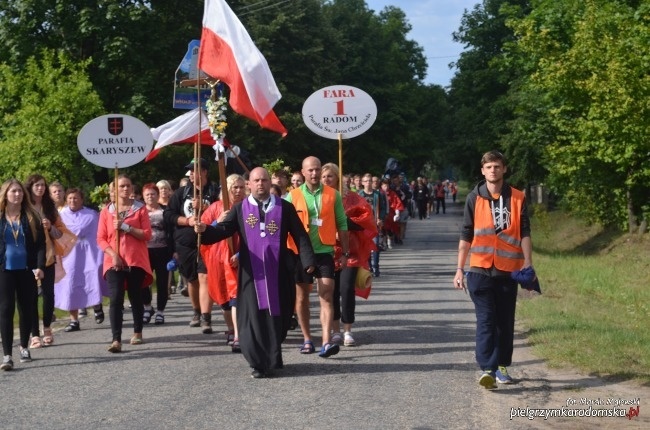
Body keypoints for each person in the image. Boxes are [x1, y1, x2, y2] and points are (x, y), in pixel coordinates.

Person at [201, 167, 315, 378]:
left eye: (264, 180)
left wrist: (308, 260)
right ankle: (257, 363)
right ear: (249, 185)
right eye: (256, 181)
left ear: (269, 183)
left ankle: (272, 356)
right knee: (252, 317)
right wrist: (204, 230)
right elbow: (221, 232)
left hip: (278, 271)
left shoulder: (284, 207)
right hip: (251, 274)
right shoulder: (240, 209)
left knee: (277, 317)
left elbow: (300, 234)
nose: (260, 184)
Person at [454, 150, 533, 389]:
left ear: (504, 169)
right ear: (482, 171)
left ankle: (501, 367)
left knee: (504, 322)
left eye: (497, 166)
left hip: (508, 270)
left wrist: (528, 263)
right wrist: (459, 268)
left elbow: (525, 233)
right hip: (479, 269)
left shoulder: (518, 197)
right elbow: (466, 233)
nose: (493, 170)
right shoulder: (473, 198)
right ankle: (487, 369)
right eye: (488, 167)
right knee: (486, 320)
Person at [286, 156, 349, 358]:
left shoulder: (333, 194)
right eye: (310, 170)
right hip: (300, 253)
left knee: (327, 294)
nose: (314, 174)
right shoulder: (292, 196)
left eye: (317, 170)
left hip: (324, 251)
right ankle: (307, 339)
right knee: (302, 297)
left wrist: (346, 253)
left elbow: (342, 224)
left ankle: (326, 341)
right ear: (303, 172)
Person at [321, 164, 376, 347]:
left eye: (330, 176)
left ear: (337, 177)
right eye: (324, 176)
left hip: (349, 252)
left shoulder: (351, 198)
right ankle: (335, 330)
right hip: (327, 251)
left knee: (346, 289)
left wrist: (344, 224)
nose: (327, 179)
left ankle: (347, 330)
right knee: (332, 292)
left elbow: (366, 220)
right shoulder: (318, 198)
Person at [97, 175, 153, 352]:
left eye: (128, 186)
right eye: (121, 186)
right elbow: (100, 238)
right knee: (115, 298)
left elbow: (146, 234)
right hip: (113, 260)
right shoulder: (107, 211)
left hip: (135, 258)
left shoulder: (140, 209)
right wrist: (113, 254)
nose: (125, 189)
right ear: (114, 190)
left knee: (135, 295)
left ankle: (137, 331)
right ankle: (116, 339)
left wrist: (126, 227)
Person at [163, 158, 219, 332]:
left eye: (195, 170)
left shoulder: (215, 190)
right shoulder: (181, 193)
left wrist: (203, 208)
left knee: (205, 277)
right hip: (186, 242)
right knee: (192, 279)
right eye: (190, 171)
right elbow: (168, 215)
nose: (191, 174)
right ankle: (196, 310)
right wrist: (186, 220)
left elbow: (224, 211)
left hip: (208, 241)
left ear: (204, 171)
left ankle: (206, 316)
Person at [25, 174, 76, 347]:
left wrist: (51, 227)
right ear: (30, 187)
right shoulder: (23, 206)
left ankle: (47, 327)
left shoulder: (49, 207)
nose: (40, 188)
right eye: (37, 185)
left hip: (48, 255)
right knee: (30, 296)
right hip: (27, 256)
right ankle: (34, 334)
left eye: (42, 185)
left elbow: (61, 232)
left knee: (48, 295)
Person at [0, 179, 45, 370]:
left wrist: (41, 266)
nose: (17, 195)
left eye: (19, 191)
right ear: (5, 195)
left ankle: (24, 347)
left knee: (26, 308)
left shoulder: (31, 217)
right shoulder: (1, 218)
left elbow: (41, 244)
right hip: (5, 270)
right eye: (13, 192)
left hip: (27, 269)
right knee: (6, 309)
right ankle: (7, 355)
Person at [200, 174, 246, 351]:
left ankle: (240, 333)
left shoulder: (248, 208)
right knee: (224, 297)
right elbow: (202, 231)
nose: (238, 191)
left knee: (238, 296)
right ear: (226, 190)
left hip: (241, 258)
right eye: (235, 187)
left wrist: (241, 254)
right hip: (218, 259)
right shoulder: (215, 208)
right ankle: (231, 329)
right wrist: (216, 222)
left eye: (241, 187)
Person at [55, 189, 107, 333]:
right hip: (70, 255)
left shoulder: (91, 215)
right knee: (71, 285)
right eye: (70, 198)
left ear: (82, 200)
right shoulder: (61, 215)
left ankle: (96, 305)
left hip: (89, 253)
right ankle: (74, 320)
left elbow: (97, 234)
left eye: (76, 198)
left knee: (91, 280)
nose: (73, 201)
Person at [141, 183, 172, 325]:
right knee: (143, 281)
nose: (150, 196)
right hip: (144, 251)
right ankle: (147, 307)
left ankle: (160, 311)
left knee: (162, 282)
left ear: (157, 195)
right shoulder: (139, 211)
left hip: (163, 250)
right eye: (147, 194)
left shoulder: (165, 211)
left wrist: (174, 251)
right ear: (143, 196)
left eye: (153, 193)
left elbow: (172, 231)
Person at [358, 173, 387, 277]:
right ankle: (369, 265)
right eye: (366, 181)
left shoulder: (377, 194)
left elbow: (383, 208)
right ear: (362, 183)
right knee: (365, 247)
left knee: (375, 246)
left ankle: (376, 266)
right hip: (363, 225)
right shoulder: (359, 194)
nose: (368, 183)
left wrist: (381, 218)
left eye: (370, 181)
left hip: (374, 224)